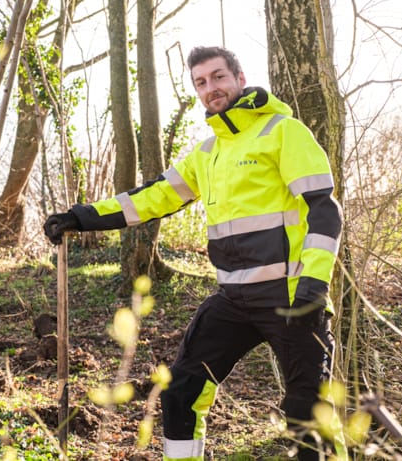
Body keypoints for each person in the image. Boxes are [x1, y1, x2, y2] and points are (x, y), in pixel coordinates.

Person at [43, 46, 343, 461]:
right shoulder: (208, 153)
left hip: (292, 296)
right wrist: (82, 217)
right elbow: (154, 196)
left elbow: (323, 211)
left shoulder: (283, 131)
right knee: (180, 390)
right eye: (200, 83)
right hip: (234, 300)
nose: (210, 88)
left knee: (308, 415)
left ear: (240, 77)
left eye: (218, 77)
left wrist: (313, 284)